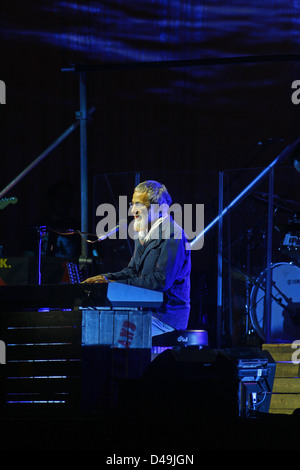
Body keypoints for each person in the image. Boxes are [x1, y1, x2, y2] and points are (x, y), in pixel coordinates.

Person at [83, 180, 191, 336]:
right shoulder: (143, 233)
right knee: (90, 319)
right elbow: (132, 271)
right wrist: (105, 278)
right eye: (132, 204)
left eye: (140, 205)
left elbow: (161, 281)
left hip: (165, 318)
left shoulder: (173, 234)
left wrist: (114, 284)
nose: (133, 210)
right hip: (143, 310)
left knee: (107, 331)